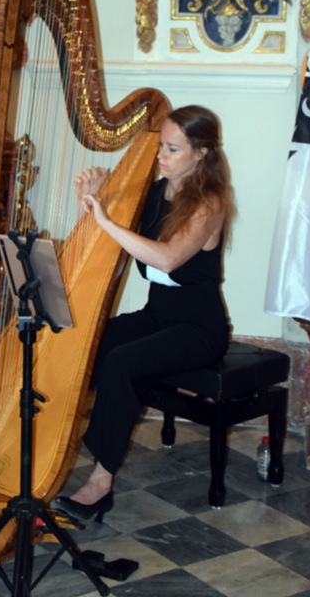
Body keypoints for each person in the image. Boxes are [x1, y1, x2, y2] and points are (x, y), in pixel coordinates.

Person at [55, 105, 235, 521]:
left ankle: (101, 481)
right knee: (89, 341)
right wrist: (99, 200)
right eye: (160, 147)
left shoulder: (209, 203)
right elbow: (113, 240)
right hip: (157, 316)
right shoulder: (155, 192)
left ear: (201, 153)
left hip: (198, 328)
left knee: (121, 362)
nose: (162, 156)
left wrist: (106, 219)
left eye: (173, 149)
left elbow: (168, 259)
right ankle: (59, 440)